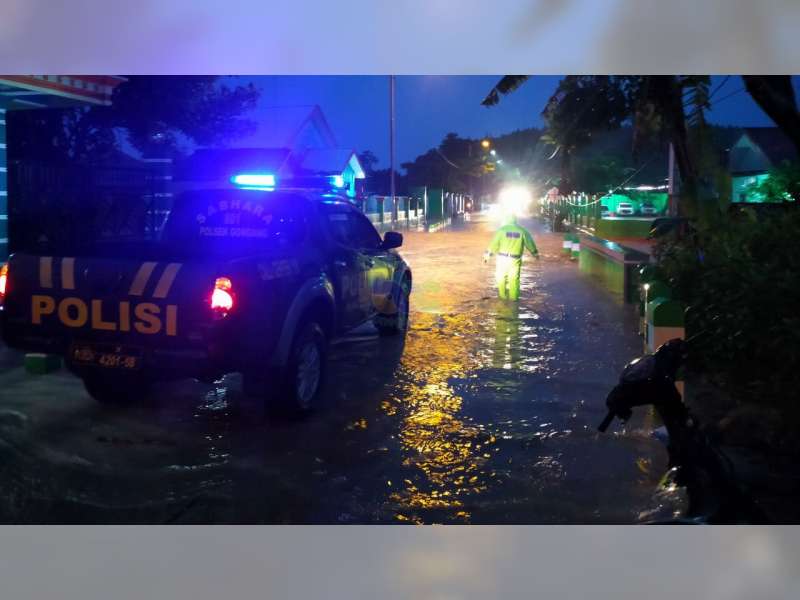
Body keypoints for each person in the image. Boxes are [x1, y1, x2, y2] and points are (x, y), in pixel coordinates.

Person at [483, 214, 539, 301]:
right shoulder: (522, 231)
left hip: (502, 259)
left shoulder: (501, 230)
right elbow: (530, 244)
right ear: (515, 220)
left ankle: (502, 298)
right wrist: (535, 254)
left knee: (501, 278)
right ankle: (514, 301)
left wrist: (487, 256)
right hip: (515, 260)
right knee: (514, 280)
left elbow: (494, 245)